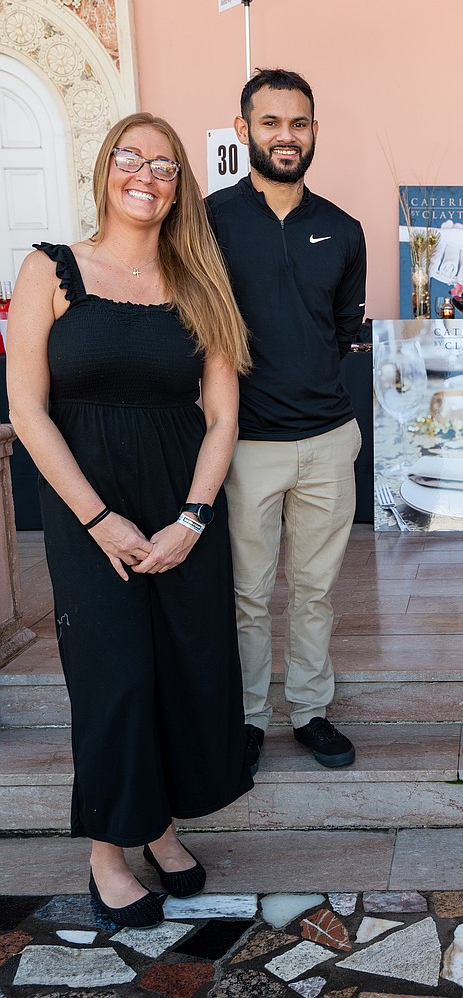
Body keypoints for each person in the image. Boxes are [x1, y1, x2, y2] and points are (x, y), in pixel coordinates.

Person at [7, 113, 253, 927]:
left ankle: (162, 826)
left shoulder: (200, 281)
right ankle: (108, 851)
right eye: (130, 157)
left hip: (182, 503)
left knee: (183, 667)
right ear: (104, 168)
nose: (145, 175)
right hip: (87, 506)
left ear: (179, 187)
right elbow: (27, 410)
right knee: (113, 675)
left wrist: (192, 518)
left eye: (164, 165)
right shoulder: (49, 269)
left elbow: (222, 416)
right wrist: (99, 519)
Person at [207, 69, 367, 771]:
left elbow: (342, 330)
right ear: (243, 129)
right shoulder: (207, 221)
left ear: (314, 132)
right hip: (244, 444)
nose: (286, 136)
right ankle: (247, 718)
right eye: (270, 122)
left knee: (314, 591)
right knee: (245, 594)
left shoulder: (343, 229)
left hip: (329, 439)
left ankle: (308, 711)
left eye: (298, 123)